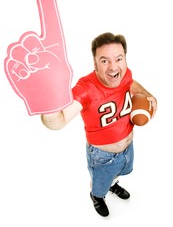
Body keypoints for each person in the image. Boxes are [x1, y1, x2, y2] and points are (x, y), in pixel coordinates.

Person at [41, 32, 157, 217]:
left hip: (128, 149)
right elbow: (58, 121)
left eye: (118, 59)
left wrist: (148, 94)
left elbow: (131, 82)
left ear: (125, 59)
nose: (113, 67)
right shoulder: (86, 88)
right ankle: (97, 196)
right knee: (99, 184)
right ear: (95, 64)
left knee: (119, 173)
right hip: (103, 156)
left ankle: (113, 184)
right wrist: (47, 105)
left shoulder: (124, 73)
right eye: (104, 61)